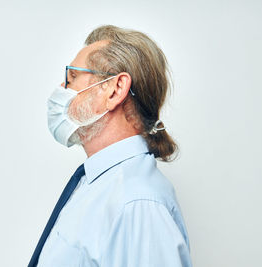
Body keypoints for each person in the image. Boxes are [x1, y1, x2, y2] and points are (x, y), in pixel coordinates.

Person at [28, 24, 193, 267]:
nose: (62, 89)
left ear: (115, 90)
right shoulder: (97, 184)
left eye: (72, 77)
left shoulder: (138, 204)